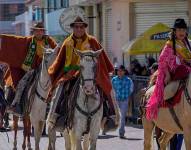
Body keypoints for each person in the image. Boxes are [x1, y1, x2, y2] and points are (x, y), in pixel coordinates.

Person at [46, 16, 119, 128]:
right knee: (60, 90)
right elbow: (60, 61)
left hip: (90, 74)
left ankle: (110, 117)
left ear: (84, 28)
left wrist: (98, 72)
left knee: (107, 88)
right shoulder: (67, 42)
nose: (79, 29)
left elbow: (101, 59)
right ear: (73, 28)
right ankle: (56, 116)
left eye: (81, 27)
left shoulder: (92, 41)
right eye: (76, 27)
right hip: (71, 74)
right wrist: (64, 71)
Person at [0, 22, 57, 116]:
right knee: (21, 83)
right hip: (32, 69)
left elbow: (56, 51)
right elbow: (15, 40)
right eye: (36, 31)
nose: (39, 33)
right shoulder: (29, 40)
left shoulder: (49, 40)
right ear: (33, 32)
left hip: (48, 69)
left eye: (41, 31)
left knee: (60, 84)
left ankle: (58, 109)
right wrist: (2, 37)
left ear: (43, 32)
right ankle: (16, 104)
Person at [146, 18, 191, 120]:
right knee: (170, 90)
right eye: (179, 30)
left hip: (188, 70)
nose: (182, 32)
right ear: (174, 31)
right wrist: (167, 74)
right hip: (176, 71)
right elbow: (162, 61)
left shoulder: (188, 43)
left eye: (183, 30)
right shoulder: (170, 45)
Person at [112, 65, 134, 138]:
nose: (120, 72)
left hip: (124, 100)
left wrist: (127, 95)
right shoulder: (114, 79)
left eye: (121, 71)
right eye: (118, 71)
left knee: (122, 116)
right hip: (116, 100)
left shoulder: (128, 80)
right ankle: (107, 128)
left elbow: (131, 88)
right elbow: (112, 89)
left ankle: (121, 132)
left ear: (124, 71)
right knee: (116, 115)